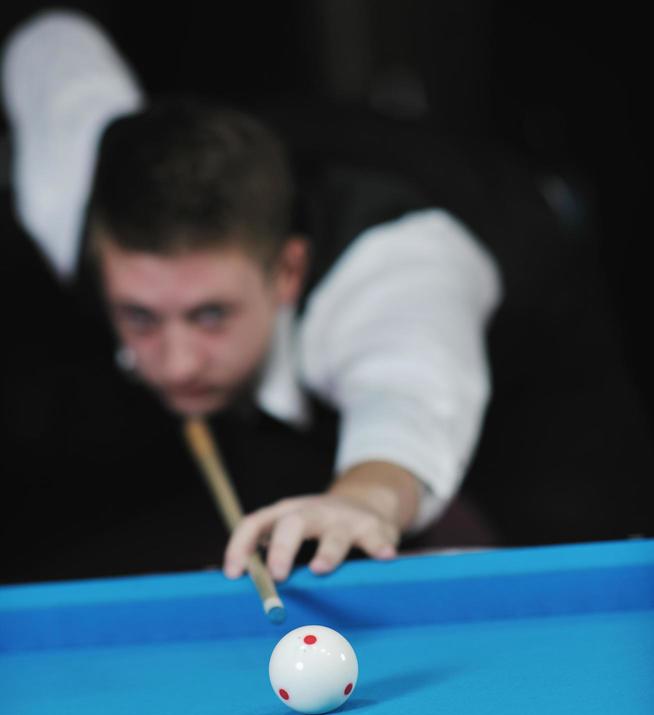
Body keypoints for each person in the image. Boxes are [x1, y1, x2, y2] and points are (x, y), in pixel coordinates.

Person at [2, 10, 652, 585]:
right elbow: (50, 42)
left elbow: (409, 399)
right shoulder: (76, 198)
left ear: (288, 272)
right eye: (139, 317)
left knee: (573, 552)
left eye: (210, 316)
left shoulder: (396, 270)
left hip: (538, 379)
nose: (175, 364)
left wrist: (363, 500)